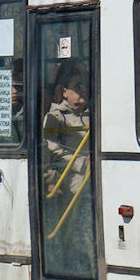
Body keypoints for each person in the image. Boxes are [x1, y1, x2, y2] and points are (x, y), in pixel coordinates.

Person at [42, 62, 90, 200]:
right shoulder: (56, 117)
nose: (83, 90)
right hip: (70, 172)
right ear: (64, 92)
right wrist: (82, 163)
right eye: (77, 86)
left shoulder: (94, 114)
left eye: (84, 85)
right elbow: (54, 152)